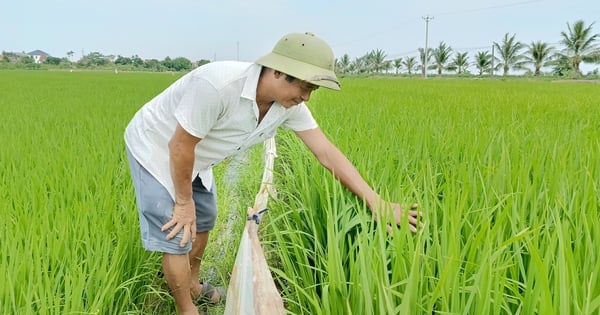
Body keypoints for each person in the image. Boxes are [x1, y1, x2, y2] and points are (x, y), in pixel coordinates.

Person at [124, 32, 422, 315]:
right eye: (304, 87)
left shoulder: (287, 105)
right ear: (279, 72)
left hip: (199, 156)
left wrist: (376, 202)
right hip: (158, 149)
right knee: (178, 231)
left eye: (312, 90)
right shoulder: (218, 85)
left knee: (205, 218)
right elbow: (179, 146)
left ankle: (193, 283)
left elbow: (325, 152)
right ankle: (186, 307)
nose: (307, 97)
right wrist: (183, 202)